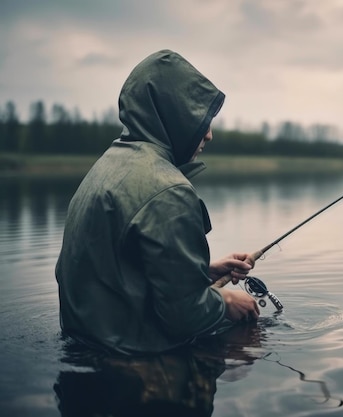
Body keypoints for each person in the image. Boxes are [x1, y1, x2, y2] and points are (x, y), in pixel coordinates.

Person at [55, 50, 260, 355]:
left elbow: (118, 272)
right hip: (134, 365)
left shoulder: (105, 167)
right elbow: (185, 317)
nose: (209, 134)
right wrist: (225, 303)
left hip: (85, 348)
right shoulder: (169, 191)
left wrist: (202, 272)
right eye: (198, 118)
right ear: (171, 115)